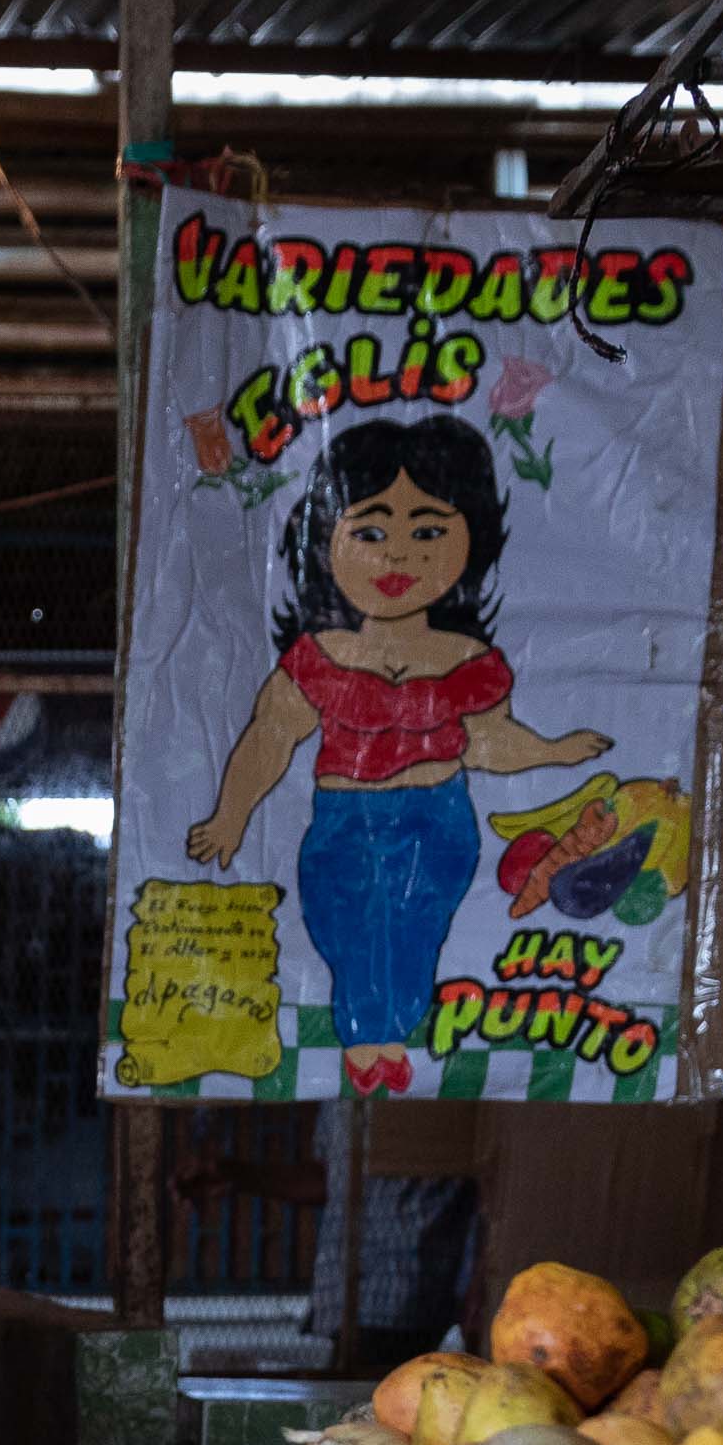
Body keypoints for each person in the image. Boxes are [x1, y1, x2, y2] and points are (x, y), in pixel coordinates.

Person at [184, 414, 613, 1093]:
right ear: (324, 541)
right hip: (344, 821)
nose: (399, 556)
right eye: (371, 531)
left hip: (435, 817)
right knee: (341, 920)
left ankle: (383, 1037)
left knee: (415, 928)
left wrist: (556, 752)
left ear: (472, 540)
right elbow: (269, 737)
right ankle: (370, 1035)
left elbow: (488, 742)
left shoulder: (467, 659)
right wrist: (231, 815)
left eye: (430, 532)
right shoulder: (320, 657)